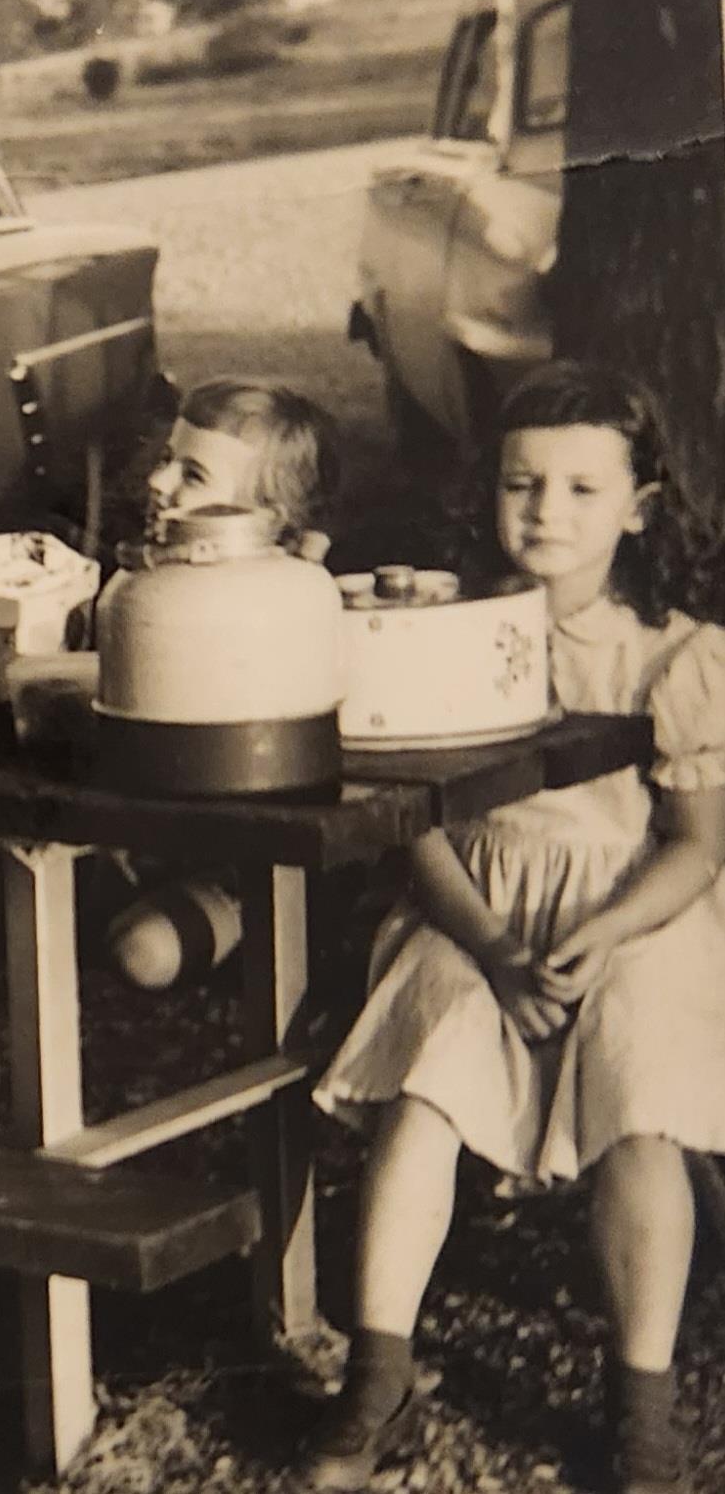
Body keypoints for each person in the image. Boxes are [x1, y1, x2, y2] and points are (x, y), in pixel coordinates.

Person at [301, 361, 725, 1494]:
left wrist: (603, 931)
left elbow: (695, 845)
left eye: (584, 489)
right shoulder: (441, 630)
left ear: (640, 504)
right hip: (472, 901)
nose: (545, 511)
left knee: (641, 1104)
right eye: (522, 482)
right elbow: (409, 818)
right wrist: (489, 944)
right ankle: (378, 1376)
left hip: (630, 906)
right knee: (427, 1078)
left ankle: (641, 1400)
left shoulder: (675, 654)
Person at [104, 377, 341, 990]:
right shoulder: (147, 580)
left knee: (145, 951)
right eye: (165, 461)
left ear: (270, 518)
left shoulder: (285, 601)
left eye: (193, 475)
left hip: (254, 857)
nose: (158, 484)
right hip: (148, 828)